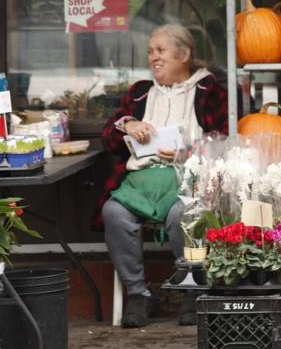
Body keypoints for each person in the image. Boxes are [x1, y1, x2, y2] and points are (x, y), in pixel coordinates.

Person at [96, 24, 227, 328]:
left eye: (160, 51)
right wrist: (127, 125)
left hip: (186, 177)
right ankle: (139, 294)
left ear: (184, 54)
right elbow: (109, 139)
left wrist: (188, 153)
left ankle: (193, 289)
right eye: (150, 52)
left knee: (184, 212)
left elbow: (224, 141)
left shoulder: (210, 91)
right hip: (140, 181)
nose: (153, 57)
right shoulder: (140, 93)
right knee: (113, 212)